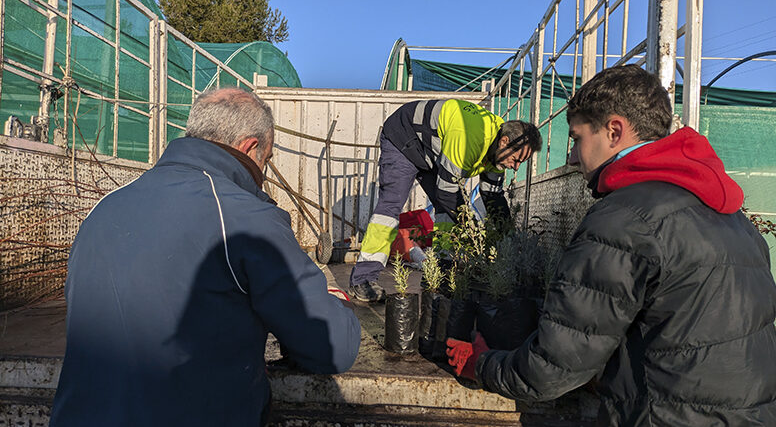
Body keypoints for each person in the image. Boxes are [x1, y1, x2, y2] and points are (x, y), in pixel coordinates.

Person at [446, 65, 776, 426]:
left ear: (614, 130)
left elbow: (553, 367)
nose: (573, 158)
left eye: (576, 139)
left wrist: (481, 363)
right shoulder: (733, 218)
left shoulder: (624, 220)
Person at [50, 88, 361, 427]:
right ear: (250, 147)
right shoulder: (246, 216)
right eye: (267, 159)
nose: (265, 171)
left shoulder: (103, 208)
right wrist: (336, 301)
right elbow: (332, 347)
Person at [349, 99, 541, 302]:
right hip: (404, 138)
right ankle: (363, 279)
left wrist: (508, 239)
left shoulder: (498, 153)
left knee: (446, 213)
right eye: (517, 159)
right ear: (504, 142)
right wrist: (471, 231)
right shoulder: (469, 136)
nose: (516, 167)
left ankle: (439, 276)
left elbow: (493, 198)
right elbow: (447, 192)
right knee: (391, 206)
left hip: (432, 151)